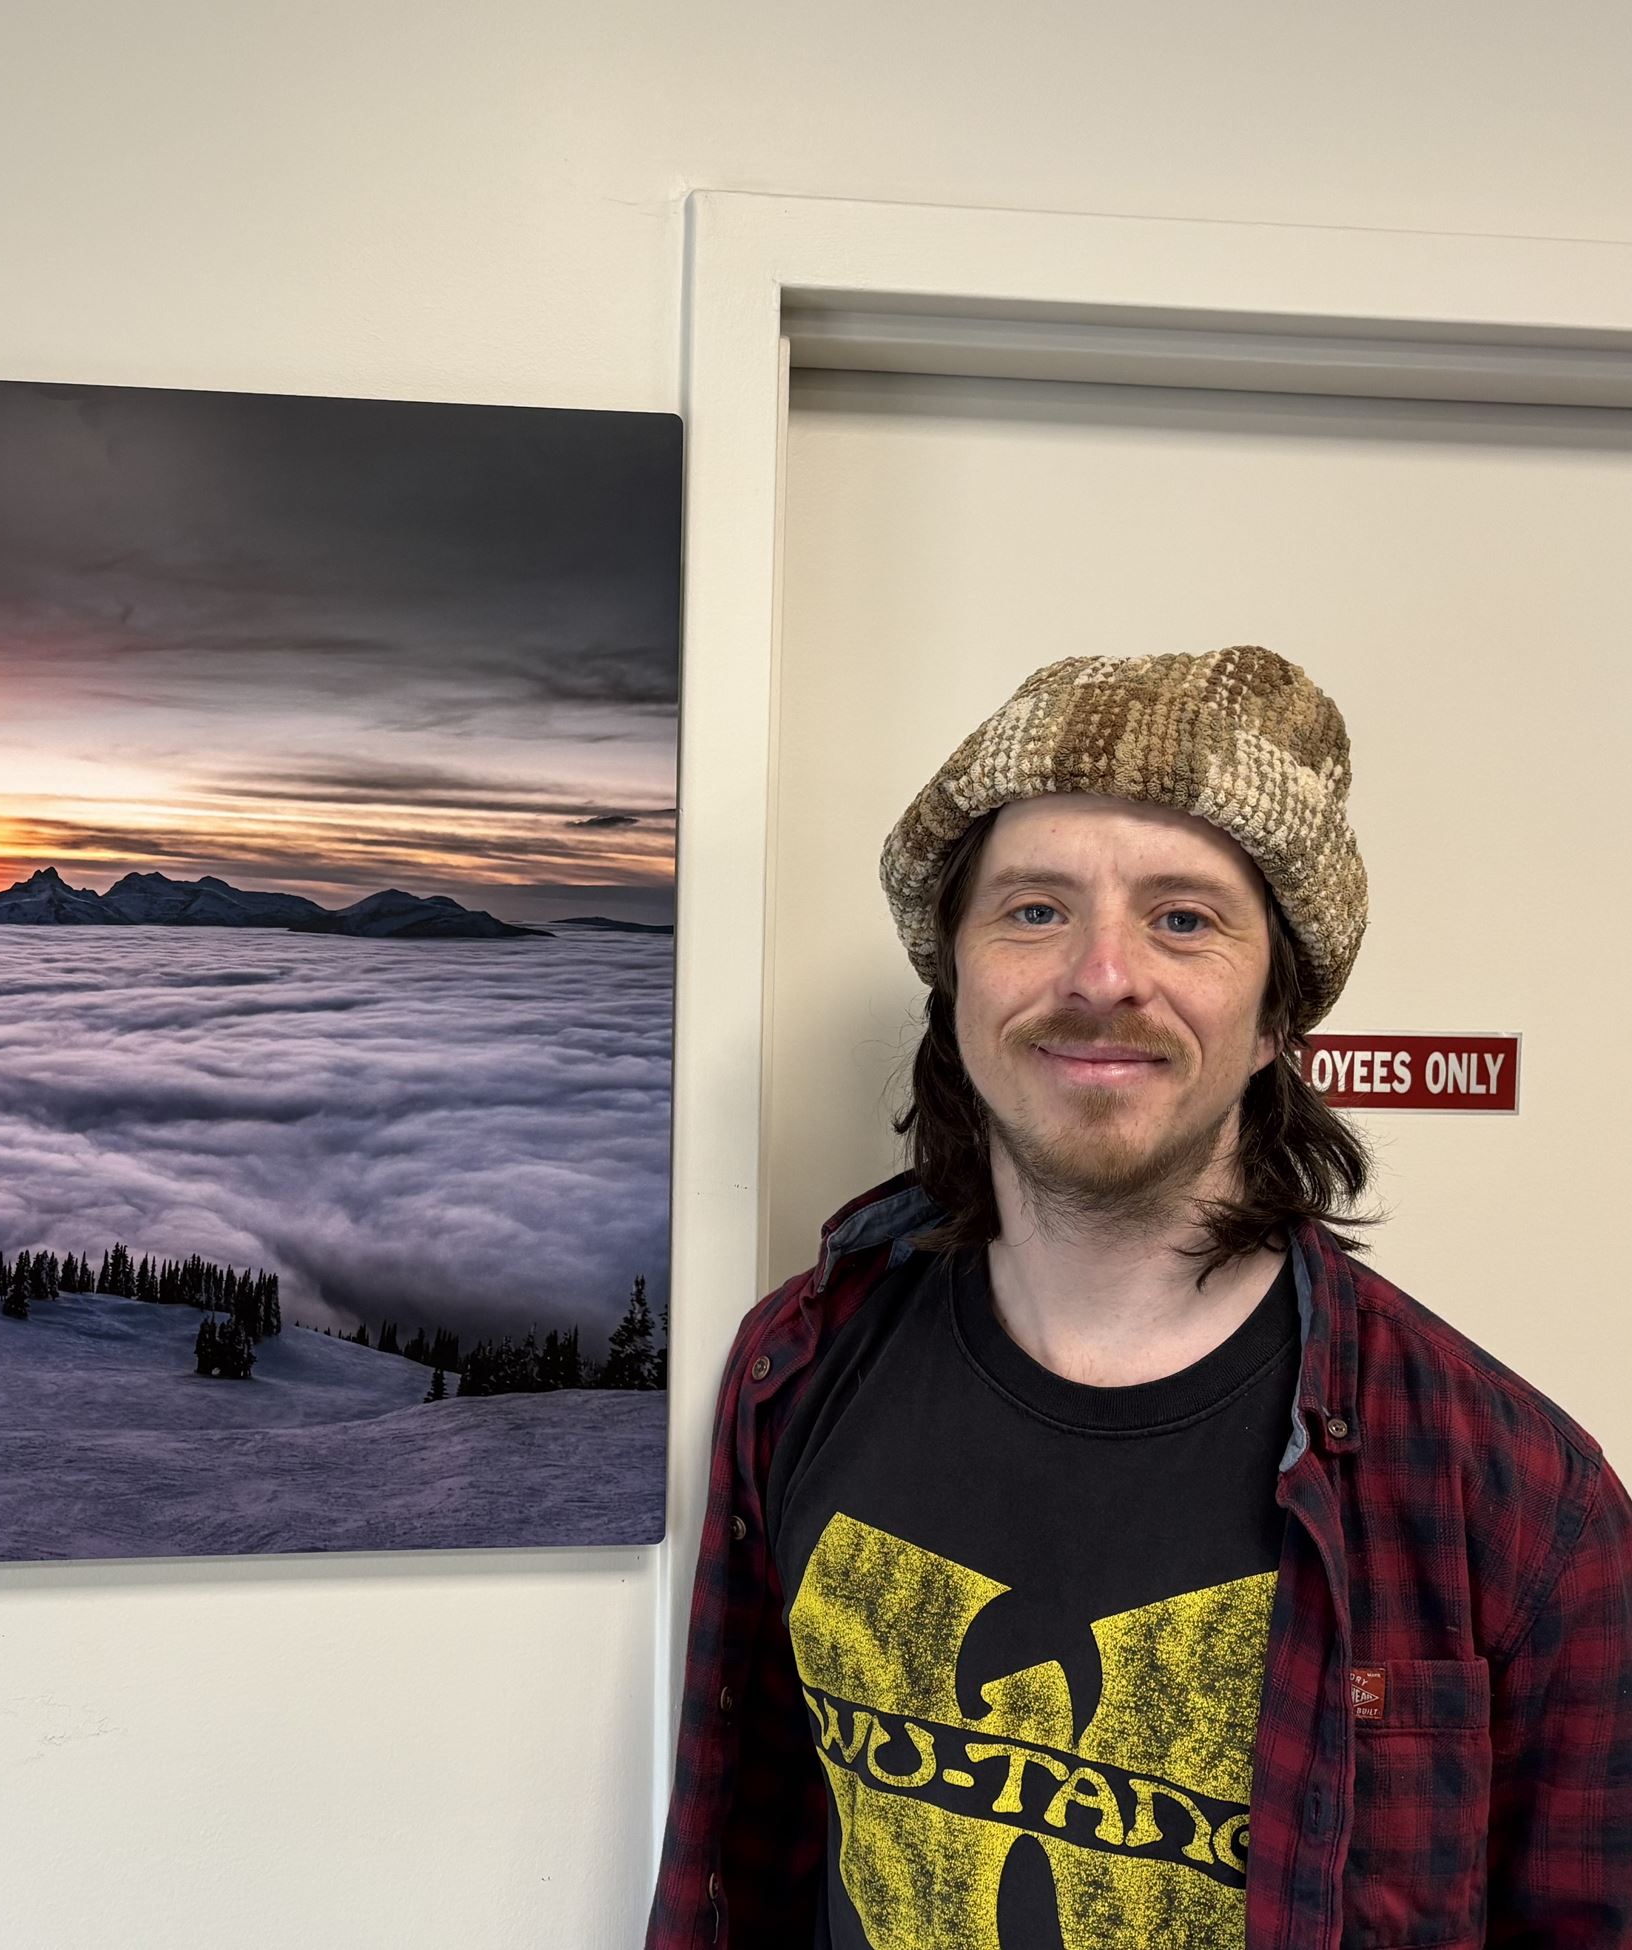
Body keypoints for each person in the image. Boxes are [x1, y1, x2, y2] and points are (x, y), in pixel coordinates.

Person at [647, 646, 1632, 1949]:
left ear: (1276, 1015)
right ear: (954, 982)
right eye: (1034, 910)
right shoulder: (798, 1365)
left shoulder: (1518, 1502)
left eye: (1184, 919)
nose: (1103, 974)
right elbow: (735, 1876)